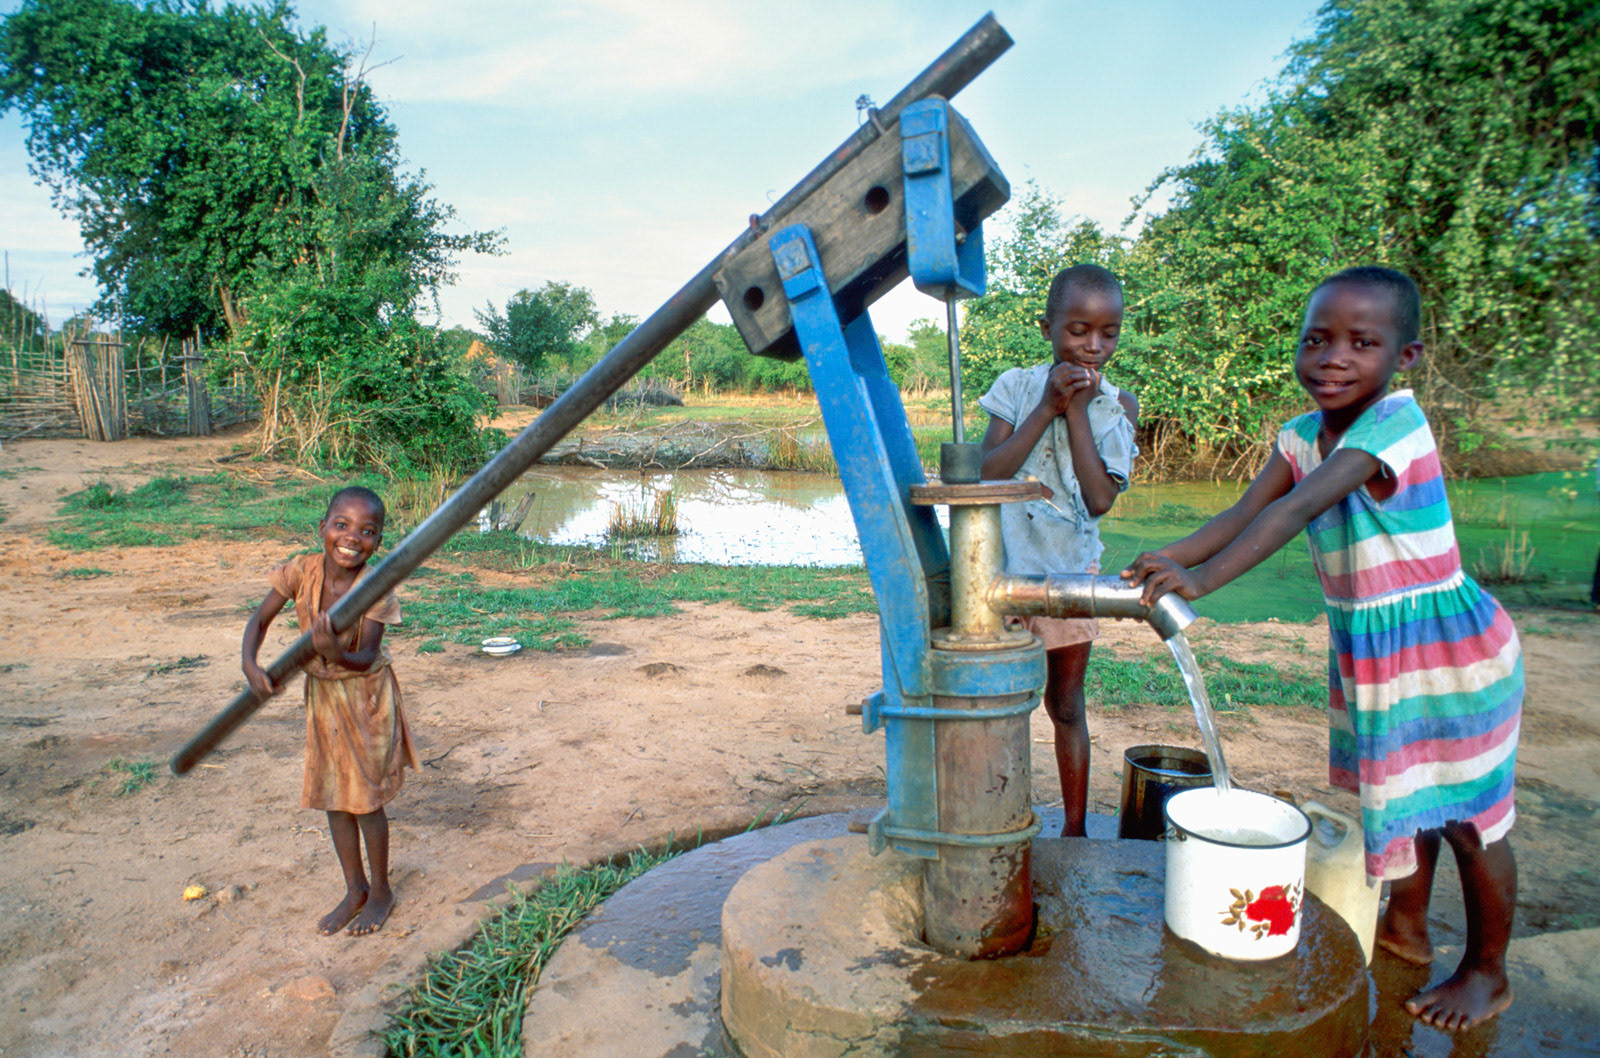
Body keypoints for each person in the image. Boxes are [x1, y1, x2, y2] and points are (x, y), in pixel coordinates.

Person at [1123, 267, 1522, 1032]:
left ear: (1404, 357)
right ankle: (1406, 929)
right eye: (1317, 341)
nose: (1333, 359)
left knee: (1471, 822)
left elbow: (1298, 510)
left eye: (1362, 343)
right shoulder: (1302, 435)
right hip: (1378, 656)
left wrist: (1199, 582)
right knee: (1408, 803)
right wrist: (1163, 560)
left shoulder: (1392, 427)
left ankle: (1487, 972)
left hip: (1448, 654)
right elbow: (1248, 508)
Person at [978, 263, 1138, 838]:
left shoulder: (1118, 406)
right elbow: (985, 472)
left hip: (1070, 575)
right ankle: (1000, 813)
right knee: (1001, 701)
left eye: (1108, 333)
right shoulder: (1017, 387)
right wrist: (1046, 406)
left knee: (1065, 705)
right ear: (1048, 328)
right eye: (1078, 331)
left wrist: (1074, 410)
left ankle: (1074, 829)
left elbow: (1098, 499)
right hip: (1001, 574)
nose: (1093, 346)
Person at [241, 485, 418, 936]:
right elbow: (260, 620)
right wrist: (250, 663)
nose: (352, 537)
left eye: (367, 531)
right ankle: (354, 887)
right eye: (341, 525)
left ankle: (380, 890)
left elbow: (364, 657)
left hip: (366, 699)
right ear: (322, 529)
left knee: (365, 800)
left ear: (378, 541)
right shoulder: (302, 570)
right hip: (322, 698)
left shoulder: (376, 588)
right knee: (333, 797)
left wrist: (334, 651)